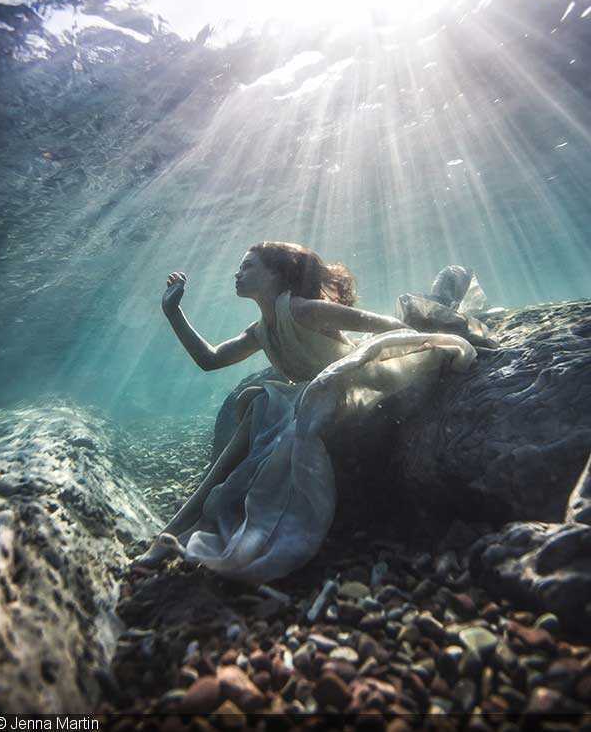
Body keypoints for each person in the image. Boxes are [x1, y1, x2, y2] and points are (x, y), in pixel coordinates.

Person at [131, 242, 477, 584]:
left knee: (266, 408)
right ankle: (180, 529)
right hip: (314, 401)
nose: (238, 273)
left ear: (277, 274)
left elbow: (383, 324)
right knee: (262, 405)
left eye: (248, 265)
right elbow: (210, 360)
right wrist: (173, 312)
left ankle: (177, 530)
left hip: (353, 392)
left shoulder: (301, 309)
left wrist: (423, 346)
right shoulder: (261, 329)